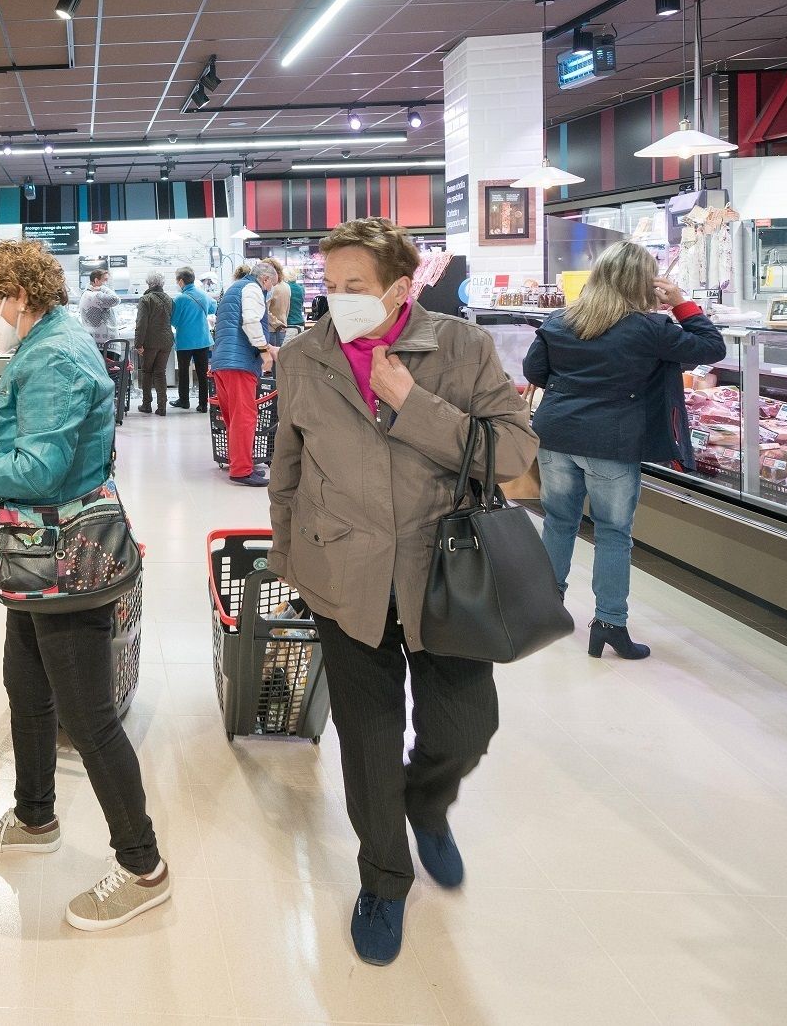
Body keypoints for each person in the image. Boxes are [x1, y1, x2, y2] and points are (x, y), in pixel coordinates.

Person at [268, 218, 536, 967]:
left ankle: (429, 801)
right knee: (366, 742)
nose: (337, 299)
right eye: (330, 286)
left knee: (465, 725)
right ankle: (383, 877)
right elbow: (285, 466)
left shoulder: (460, 346)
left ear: (397, 286)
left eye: (354, 287)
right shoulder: (302, 356)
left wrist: (412, 400)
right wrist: (291, 557)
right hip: (341, 578)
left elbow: (512, 452)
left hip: (443, 577)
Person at [0, 240, 169, 931]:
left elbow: (41, 468)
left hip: (66, 561)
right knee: (26, 685)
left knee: (88, 717)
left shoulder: (50, 353)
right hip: (36, 558)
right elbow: (33, 444)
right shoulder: (49, 337)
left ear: (18, 294)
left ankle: (143, 866)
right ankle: (34, 814)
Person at [523, 241, 725, 661]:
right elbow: (711, 348)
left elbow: (534, 372)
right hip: (612, 442)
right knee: (613, 532)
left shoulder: (560, 320)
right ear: (643, 283)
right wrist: (683, 303)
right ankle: (610, 624)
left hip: (556, 434)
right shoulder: (651, 328)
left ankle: (544, 608)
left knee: (559, 522)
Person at [210, 260, 279, 485]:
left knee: (232, 417)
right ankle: (241, 470)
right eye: (270, 287)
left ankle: (239, 461)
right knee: (245, 417)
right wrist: (264, 351)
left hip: (221, 360)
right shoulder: (252, 288)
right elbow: (251, 321)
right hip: (239, 363)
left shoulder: (234, 289)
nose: (269, 292)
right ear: (265, 279)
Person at [170, 266, 212, 412]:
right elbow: (213, 308)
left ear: (181, 281)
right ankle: (203, 404)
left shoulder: (180, 298)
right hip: (203, 339)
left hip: (185, 341)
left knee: (183, 372)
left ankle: (184, 401)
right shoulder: (204, 295)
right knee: (202, 373)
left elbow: (173, 320)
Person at [132, 271, 173, 415]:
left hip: (150, 342)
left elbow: (141, 323)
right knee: (160, 373)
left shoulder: (146, 299)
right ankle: (162, 407)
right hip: (167, 341)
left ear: (149, 284)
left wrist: (138, 344)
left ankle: (146, 404)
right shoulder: (169, 299)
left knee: (147, 372)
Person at [79, 266, 119, 345]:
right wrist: (103, 288)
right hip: (105, 345)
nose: (107, 283)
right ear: (96, 281)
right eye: (105, 280)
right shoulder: (95, 295)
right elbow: (116, 299)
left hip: (96, 343)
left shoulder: (86, 293)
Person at [265, 261, 293, 346]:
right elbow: (287, 308)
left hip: (272, 328)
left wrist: (276, 323)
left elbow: (265, 310)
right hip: (283, 326)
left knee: (271, 356)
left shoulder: (271, 288)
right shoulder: (287, 286)